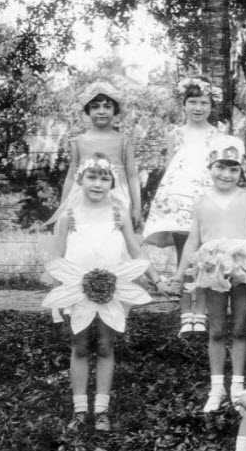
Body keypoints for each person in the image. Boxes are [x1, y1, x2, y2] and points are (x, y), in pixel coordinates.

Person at [42, 155, 164, 434]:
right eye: (92, 177)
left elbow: (135, 250)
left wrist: (156, 279)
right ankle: (79, 409)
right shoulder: (68, 216)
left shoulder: (118, 214)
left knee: (106, 345)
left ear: (112, 183)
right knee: (81, 345)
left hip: (111, 289)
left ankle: (102, 411)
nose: (97, 184)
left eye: (104, 178)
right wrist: (57, 298)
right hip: (77, 289)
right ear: (80, 180)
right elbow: (57, 257)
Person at [170, 137, 246, 412]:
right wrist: (180, 273)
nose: (226, 174)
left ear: (241, 171)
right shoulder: (202, 200)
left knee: (239, 326)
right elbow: (193, 239)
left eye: (233, 169)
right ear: (210, 166)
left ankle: (237, 387)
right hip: (213, 267)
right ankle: (217, 388)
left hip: (242, 265)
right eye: (221, 167)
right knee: (216, 328)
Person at [142, 76, 223, 335]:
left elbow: (220, 169)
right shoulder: (175, 134)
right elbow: (170, 168)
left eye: (203, 102)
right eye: (192, 102)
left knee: (202, 256)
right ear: (184, 104)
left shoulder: (217, 134)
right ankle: (186, 311)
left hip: (204, 197)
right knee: (184, 257)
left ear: (212, 106)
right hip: (178, 199)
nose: (198, 108)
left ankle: (201, 312)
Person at [50, 80, 142, 232]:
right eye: (95, 107)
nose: (101, 111)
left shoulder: (123, 141)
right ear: (87, 111)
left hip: (116, 198)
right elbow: (71, 177)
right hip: (84, 199)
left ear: (115, 110)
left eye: (107, 106)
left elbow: (132, 176)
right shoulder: (79, 141)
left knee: (114, 237)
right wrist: (63, 208)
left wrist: (137, 208)